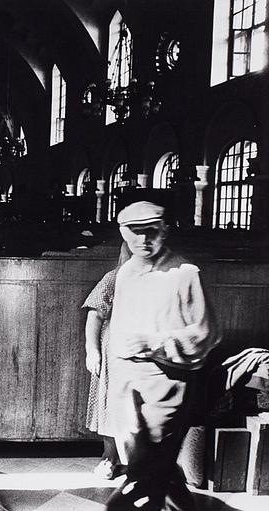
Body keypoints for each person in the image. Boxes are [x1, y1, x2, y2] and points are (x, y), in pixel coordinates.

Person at [104, 201, 220, 511]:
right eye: (135, 233)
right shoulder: (126, 273)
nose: (143, 240)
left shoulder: (185, 274)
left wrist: (154, 343)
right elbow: (119, 333)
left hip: (167, 387)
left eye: (151, 232)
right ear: (123, 233)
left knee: (141, 478)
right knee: (160, 470)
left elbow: (207, 333)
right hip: (126, 386)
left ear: (164, 230)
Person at [82, 243, 130, 480]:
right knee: (109, 406)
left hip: (145, 355)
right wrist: (92, 350)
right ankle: (109, 457)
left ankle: (137, 461)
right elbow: (95, 314)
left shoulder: (160, 281)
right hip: (114, 355)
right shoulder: (114, 278)